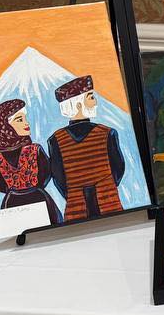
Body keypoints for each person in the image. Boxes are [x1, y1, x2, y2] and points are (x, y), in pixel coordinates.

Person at [47, 76, 127, 221]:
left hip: (76, 203)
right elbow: (118, 168)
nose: (95, 102)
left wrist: (74, 191)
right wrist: (106, 184)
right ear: (78, 104)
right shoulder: (107, 133)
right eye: (90, 97)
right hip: (107, 198)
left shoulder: (55, 139)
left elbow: (59, 179)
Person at [0, 99, 61, 225]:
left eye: (25, 117)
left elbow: (47, 173)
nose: (26, 122)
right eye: (20, 119)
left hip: (24, 201)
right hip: (25, 203)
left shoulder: (34, 149)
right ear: (5, 126)